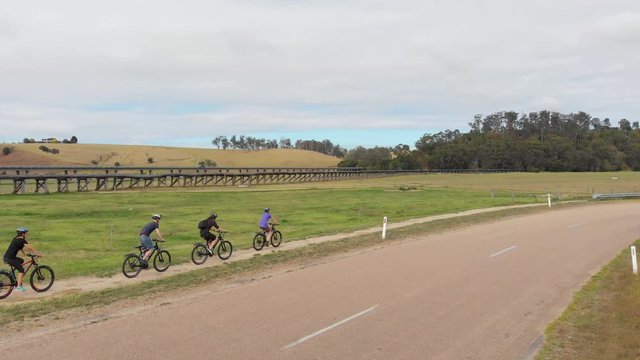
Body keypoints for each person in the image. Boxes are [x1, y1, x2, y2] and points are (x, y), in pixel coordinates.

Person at [3, 227, 41, 292]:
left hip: (8, 257)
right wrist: (38, 254)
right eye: (26, 233)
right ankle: (18, 286)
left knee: (21, 261)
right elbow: (30, 248)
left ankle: (18, 280)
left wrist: (24, 254)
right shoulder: (22, 240)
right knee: (21, 269)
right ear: (23, 234)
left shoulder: (15, 238)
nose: (27, 234)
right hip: (10, 259)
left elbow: (19, 247)